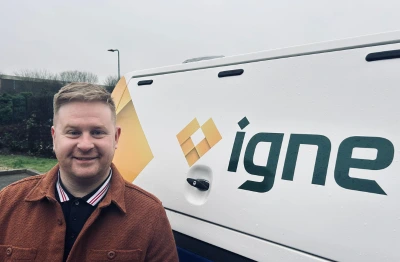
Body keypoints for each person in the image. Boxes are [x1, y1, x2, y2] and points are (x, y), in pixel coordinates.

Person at [0, 83, 179, 261]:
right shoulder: (7, 203)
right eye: (73, 132)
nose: (85, 145)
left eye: (97, 132)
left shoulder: (150, 215)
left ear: (116, 137)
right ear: (54, 137)